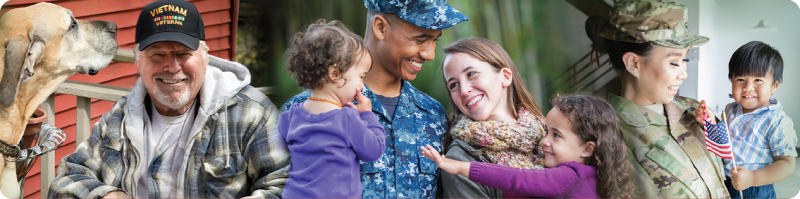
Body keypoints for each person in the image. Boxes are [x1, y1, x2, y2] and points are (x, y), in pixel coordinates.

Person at [47, 0, 290, 198]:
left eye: (183, 54)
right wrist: (107, 195)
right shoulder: (118, 119)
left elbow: (286, 186)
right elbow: (65, 180)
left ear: (205, 58)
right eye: (157, 54)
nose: (172, 67)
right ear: (138, 61)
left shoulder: (252, 112)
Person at [280, 0, 468, 198]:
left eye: (434, 41)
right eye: (420, 40)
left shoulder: (434, 115)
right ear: (380, 28)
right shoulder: (299, 112)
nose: (430, 54)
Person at [584, 0, 729, 197]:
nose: (684, 73)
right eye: (674, 62)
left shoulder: (694, 110)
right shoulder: (608, 137)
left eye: (684, 59)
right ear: (633, 63)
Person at [420, 94, 636, 198]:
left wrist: (459, 167)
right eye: (547, 131)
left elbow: (518, 179)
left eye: (556, 135)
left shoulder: (570, 176)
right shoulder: (594, 179)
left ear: (587, 149)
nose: (544, 141)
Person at [279, 19, 386, 198]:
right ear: (335, 74)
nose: (363, 86)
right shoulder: (348, 119)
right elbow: (374, 149)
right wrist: (367, 114)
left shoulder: (288, 117)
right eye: (361, 77)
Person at [438, 38, 546, 199]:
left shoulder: (550, 134)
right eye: (454, 85)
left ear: (505, 77)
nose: (464, 90)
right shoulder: (460, 160)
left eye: (471, 74)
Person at [713, 41, 795, 198]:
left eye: (758, 80)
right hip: (723, 182)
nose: (748, 87)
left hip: (755, 189)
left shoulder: (777, 121)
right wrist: (709, 120)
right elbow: (723, 139)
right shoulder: (731, 109)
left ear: (774, 86)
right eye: (741, 79)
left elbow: (787, 164)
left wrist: (753, 178)